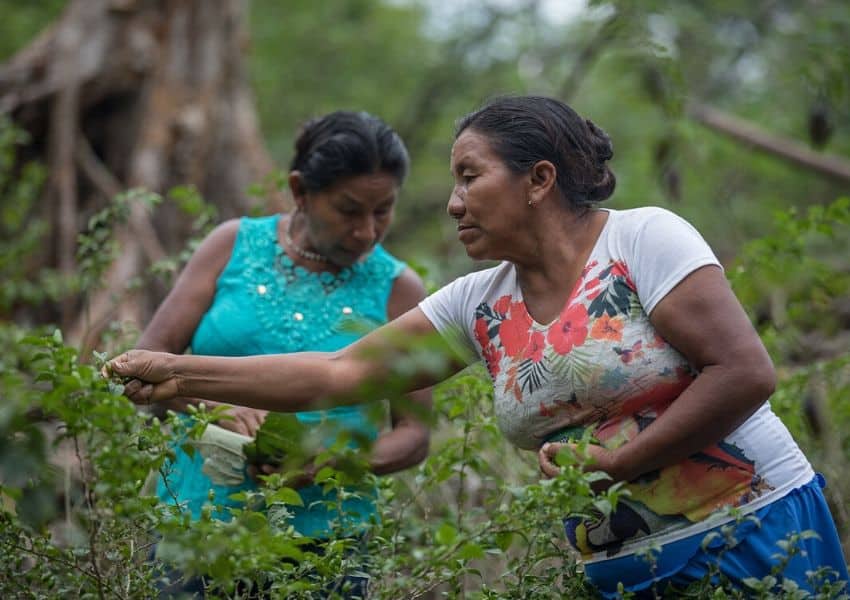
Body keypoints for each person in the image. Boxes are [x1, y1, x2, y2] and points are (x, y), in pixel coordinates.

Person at [110, 96, 848, 598]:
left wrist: (622, 464)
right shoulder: (476, 303)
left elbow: (745, 370)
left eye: (469, 177)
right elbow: (336, 374)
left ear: (539, 180)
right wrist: (179, 373)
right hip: (622, 567)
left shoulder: (641, 239)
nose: (455, 201)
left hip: (755, 530)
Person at [135, 110, 431, 598]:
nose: (366, 231)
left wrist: (333, 464)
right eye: (349, 210)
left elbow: (414, 435)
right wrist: (215, 406)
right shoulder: (231, 246)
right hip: (196, 527)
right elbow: (147, 361)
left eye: (383, 211)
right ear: (300, 191)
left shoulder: (398, 289)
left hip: (326, 543)